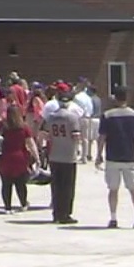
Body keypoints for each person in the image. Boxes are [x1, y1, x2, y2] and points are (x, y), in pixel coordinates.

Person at [96, 87, 134, 229]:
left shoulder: (107, 115)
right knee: (133, 188)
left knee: (113, 189)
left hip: (112, 157)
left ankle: (113, 218)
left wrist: (99, 154)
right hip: (130, 157)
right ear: (126, 97)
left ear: (114, 98)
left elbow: (102, 137)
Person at [42, 90, 83, 225]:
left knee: (56, 186)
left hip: (54, 154)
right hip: (68, 155)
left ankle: (56, 213)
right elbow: (76, 136)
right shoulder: (72, 117)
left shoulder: (51, 117)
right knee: (68, 186)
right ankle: (65, 214)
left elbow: (45, 134)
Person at [0, 104, 39, 213]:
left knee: (6, 183)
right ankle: (23, 203)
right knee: (21, 183)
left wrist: (0, 118)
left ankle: (7, 207)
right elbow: (31, 143)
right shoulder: (23, 127)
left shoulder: (2, 126)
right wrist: (37, 157)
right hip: (20, 157)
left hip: (5, 157)